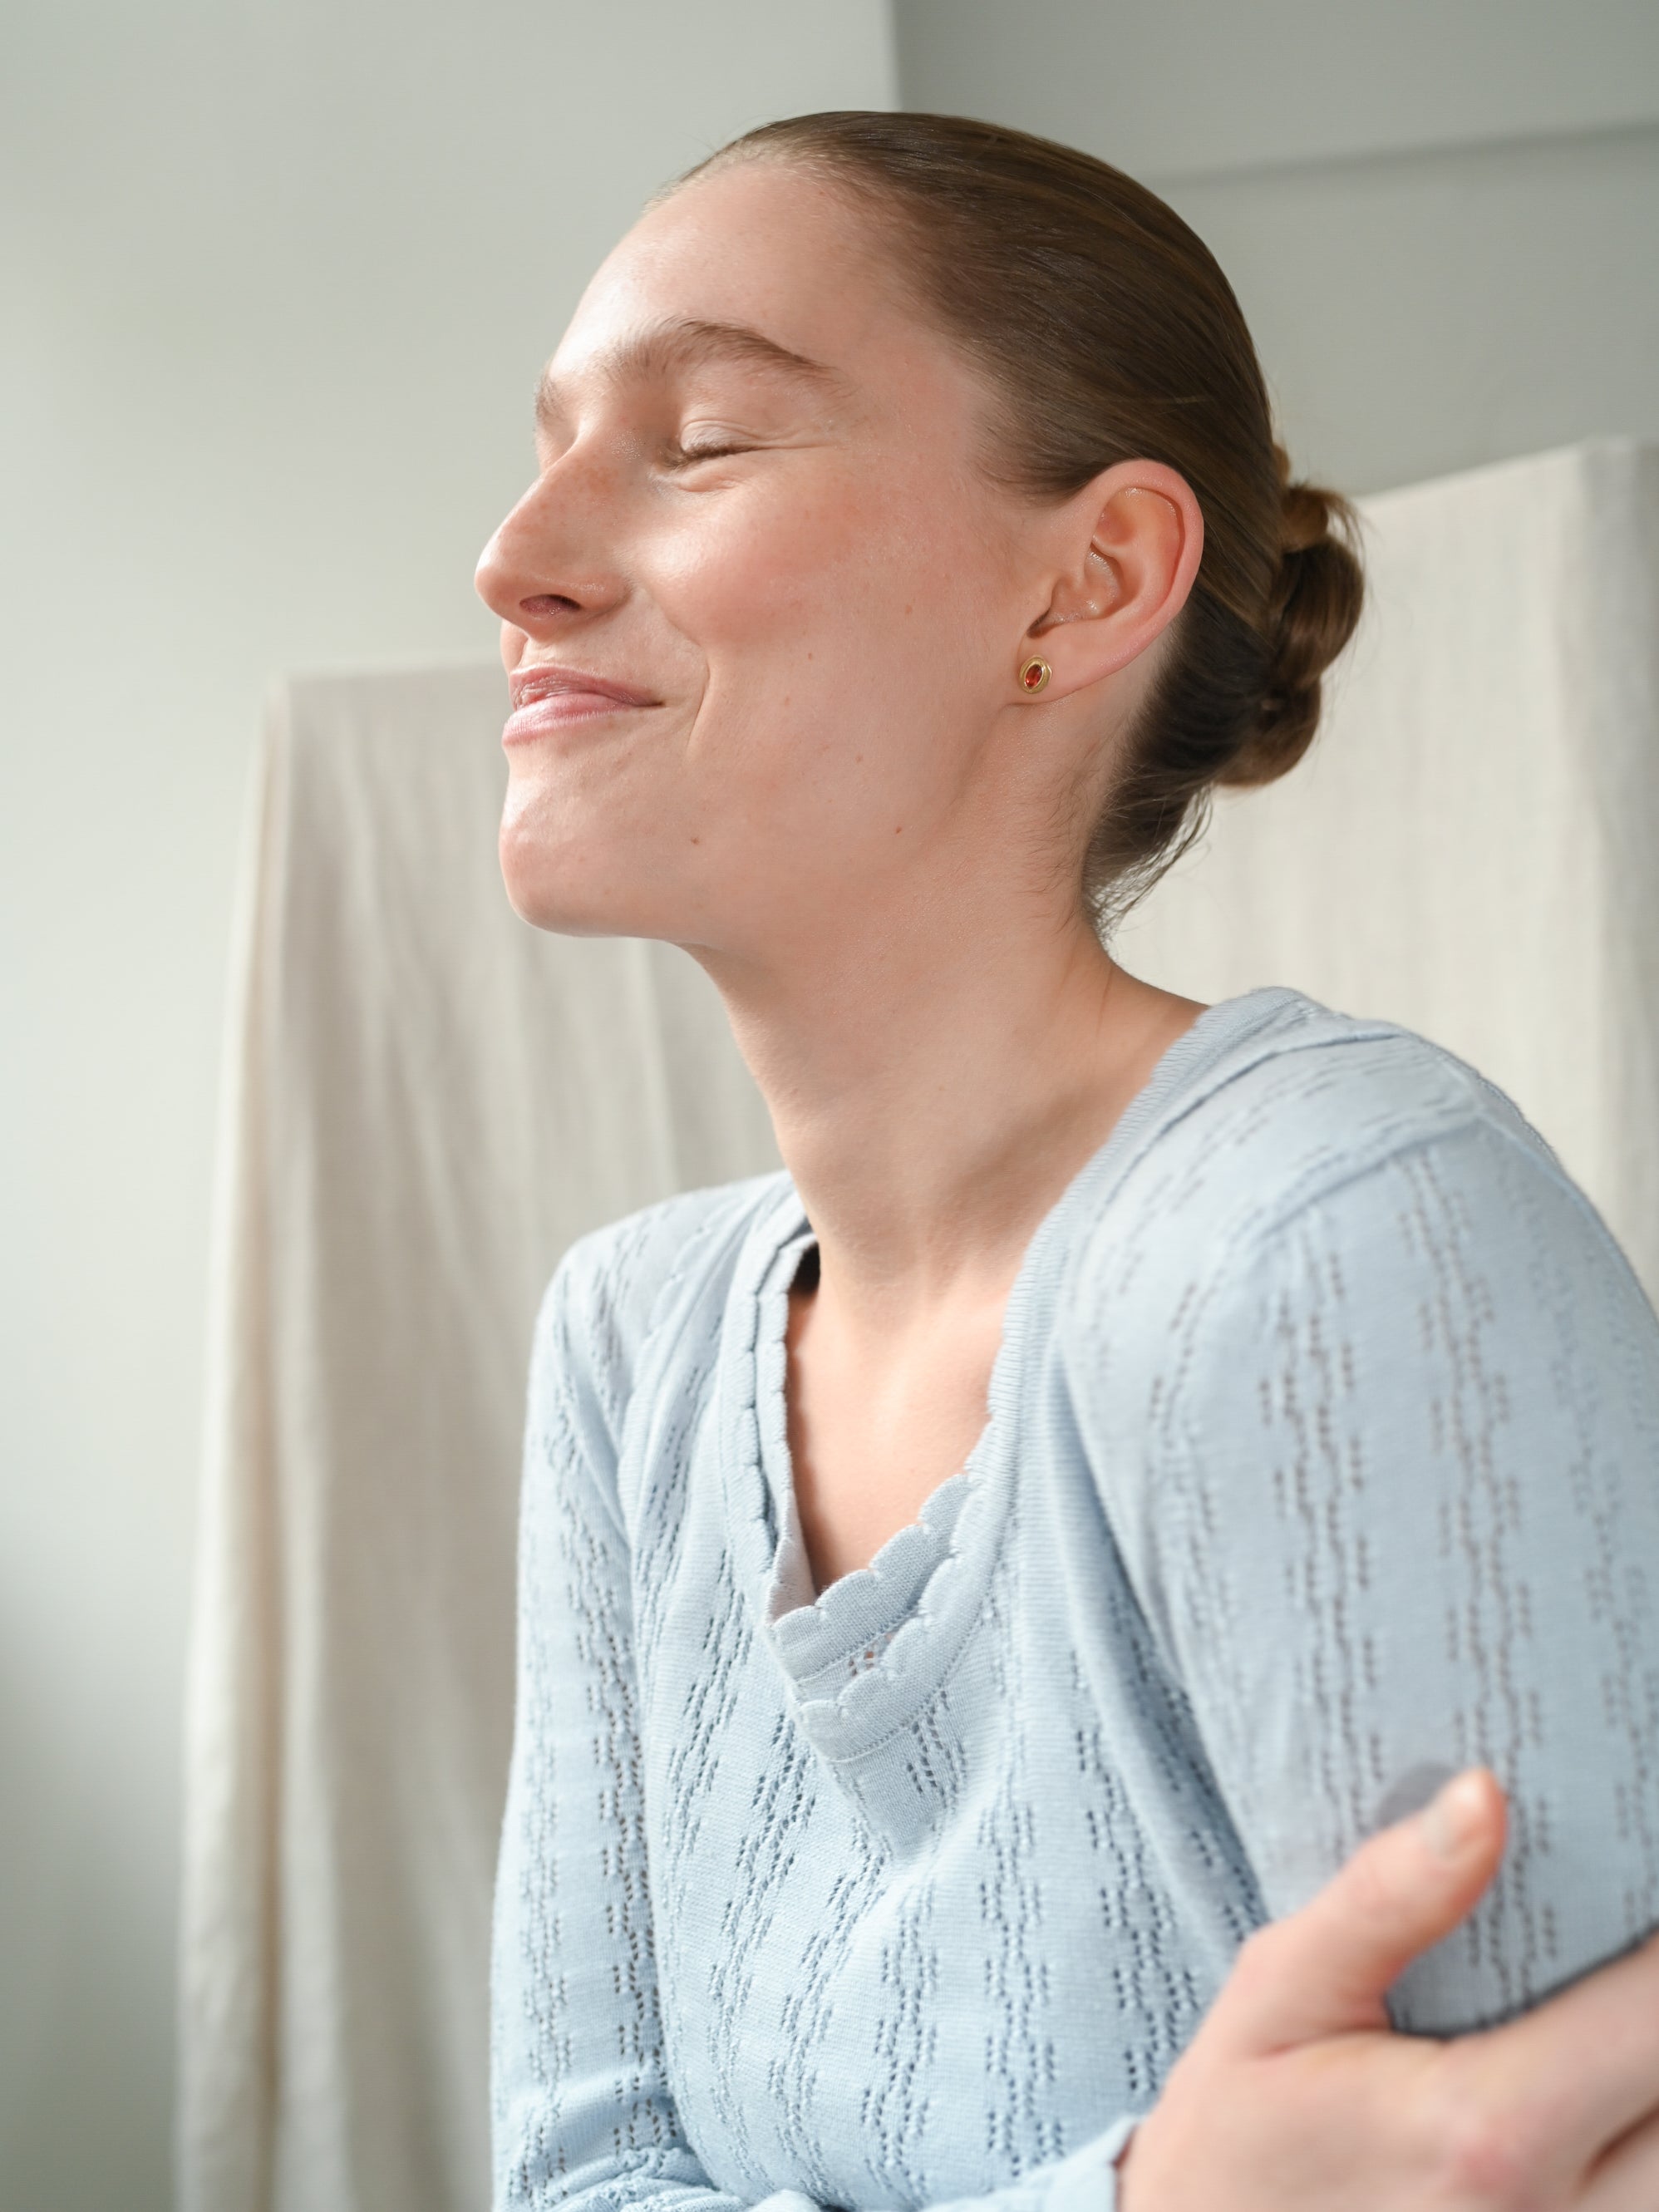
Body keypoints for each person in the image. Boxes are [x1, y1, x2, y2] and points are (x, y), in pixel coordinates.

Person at [472, 111, 1659, 2211]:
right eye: (553, 438)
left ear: (1085, 579)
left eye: (703, 435)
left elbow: (1528, 2173)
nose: (516, 556)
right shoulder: (632, 1345)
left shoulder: (1329, 1239)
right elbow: (574, 2183)